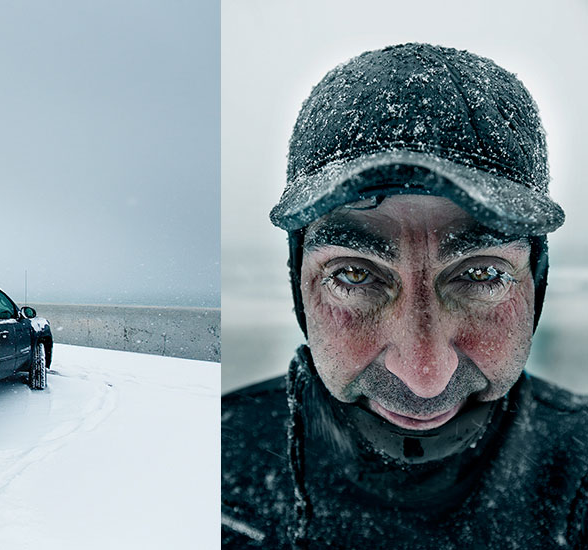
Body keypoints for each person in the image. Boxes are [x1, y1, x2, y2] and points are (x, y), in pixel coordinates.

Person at [221, 43, 588, 549]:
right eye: (353, 274)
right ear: (299, 283)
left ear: (535, 282)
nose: (423, 376)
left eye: (482, 274)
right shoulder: (216, 459)